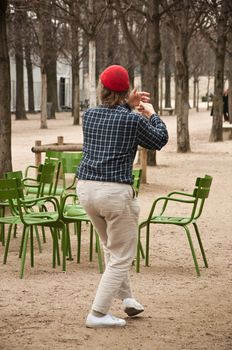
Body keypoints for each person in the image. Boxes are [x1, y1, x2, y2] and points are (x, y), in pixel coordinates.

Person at [76, 65, 169, 328]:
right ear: (127, 90)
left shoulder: (89, 115)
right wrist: (151, 113)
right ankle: (98, 313)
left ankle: (127, 299)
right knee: (122, 256)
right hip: (115, 192)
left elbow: (112, 119)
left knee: (110, 248)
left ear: (101, 89)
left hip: (86, 188)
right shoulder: (133, 120)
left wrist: (127, 105)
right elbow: (159, 140)